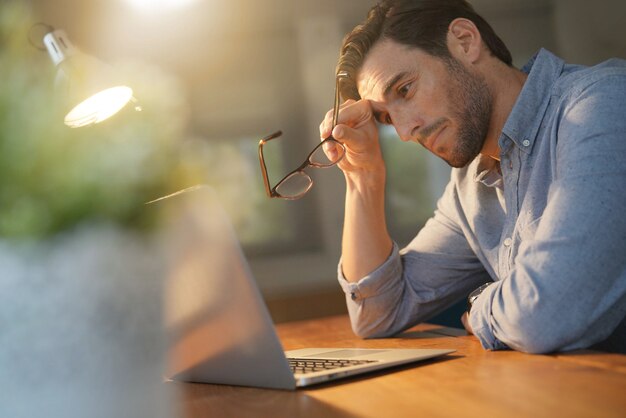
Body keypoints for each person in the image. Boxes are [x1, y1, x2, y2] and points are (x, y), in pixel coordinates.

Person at [318, 0, 626, 353]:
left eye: (404, 90)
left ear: (465, 41)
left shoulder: (604, 104)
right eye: (387, 119)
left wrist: (482, 306)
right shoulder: (470, 187)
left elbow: (550, 312)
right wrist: (363, 176)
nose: (404, 132)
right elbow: (376, 313)